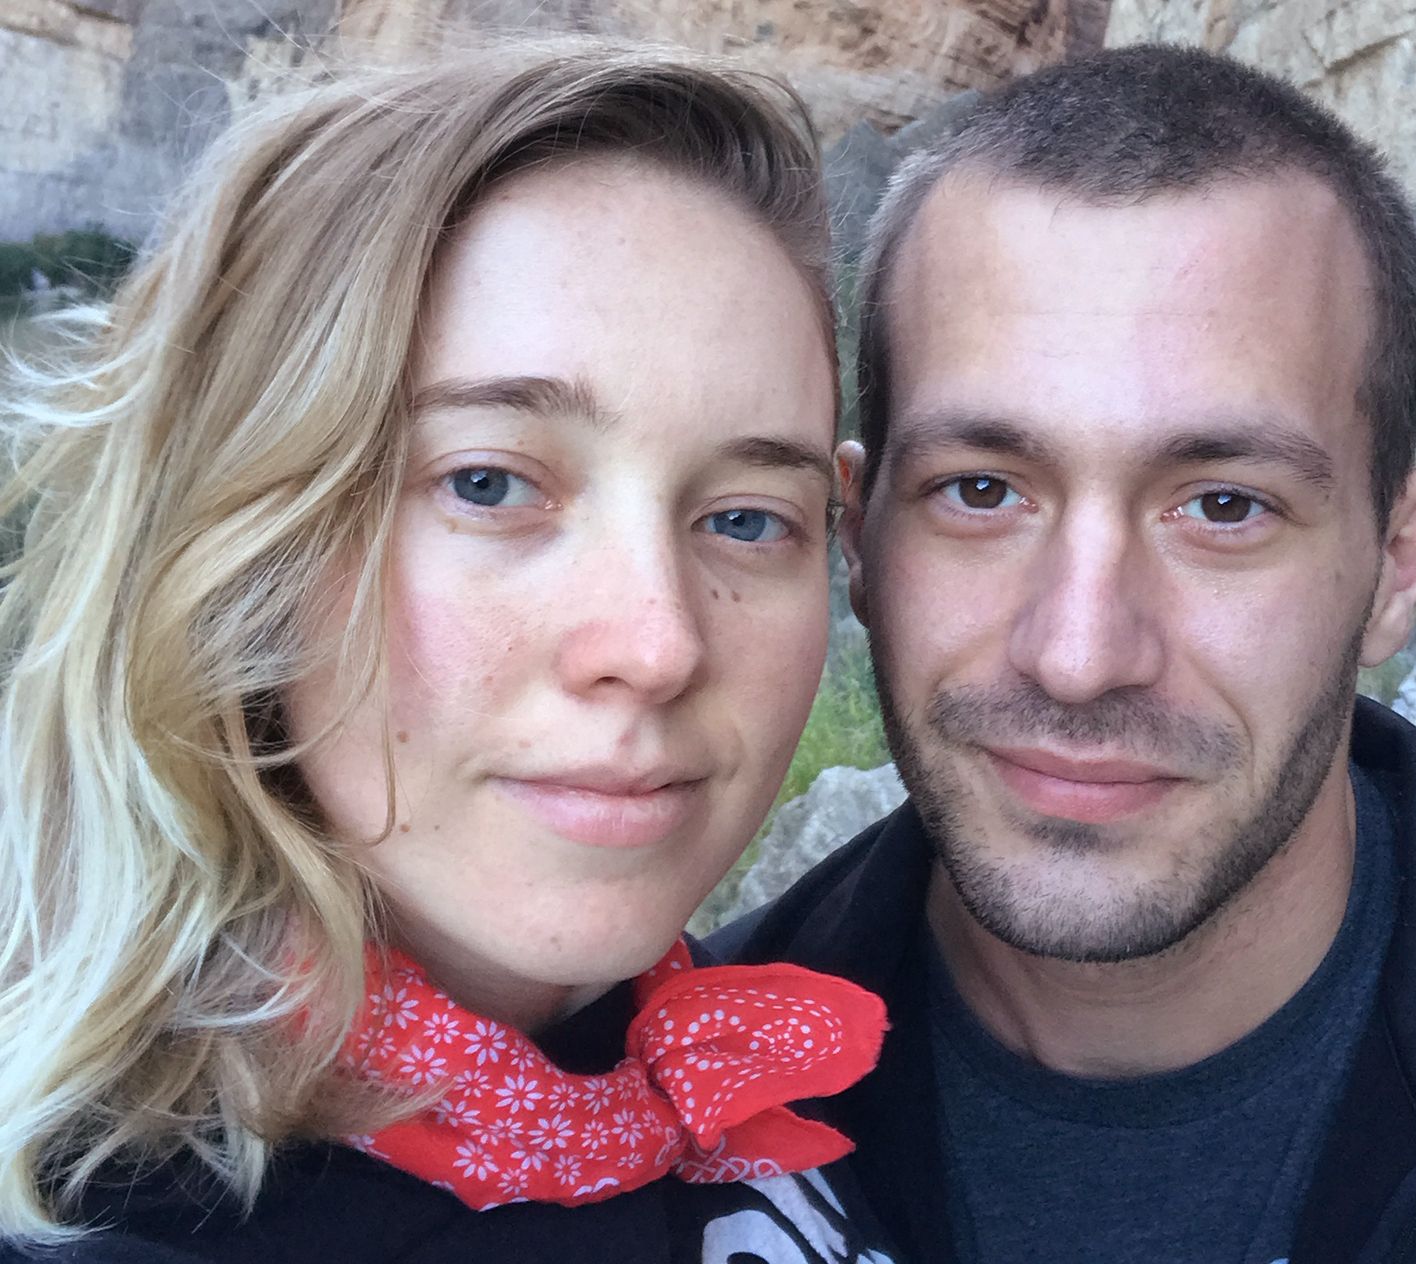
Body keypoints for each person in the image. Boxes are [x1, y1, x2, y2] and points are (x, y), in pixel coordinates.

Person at [716, 44, 1416, 1263]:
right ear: (857, 538)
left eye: (1224, 506)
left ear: (1396, 563)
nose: (1077, 654)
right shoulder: (651, 1112)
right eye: (980, 489)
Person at [0, 41, 900, 1263]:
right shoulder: (112, 1220)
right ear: (246, 537)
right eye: (488, 482)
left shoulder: (767, 1070)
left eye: (747, 517)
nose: (657, 642)